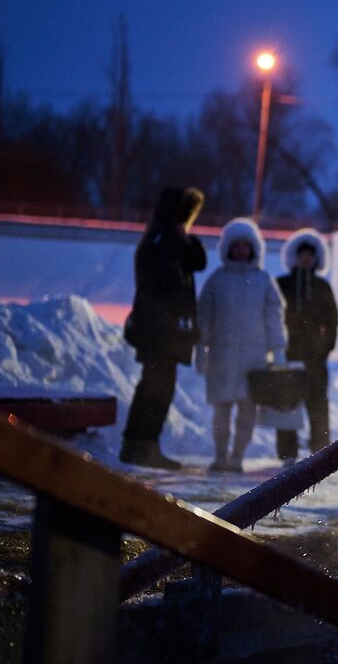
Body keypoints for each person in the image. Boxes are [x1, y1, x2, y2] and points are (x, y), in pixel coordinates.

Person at [121, 186, 206, 470]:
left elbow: (198, 262)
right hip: (159, 330)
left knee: (157, 386)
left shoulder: (165, 237)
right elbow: (169, 284)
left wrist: (186, 238)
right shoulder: (162, 240)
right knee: (156, 388)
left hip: (163, 330)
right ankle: (141, 446)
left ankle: (141, 445)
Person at [197, 218, 287, 473]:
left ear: (253, 248)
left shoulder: (263, 280)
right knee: (221, 411)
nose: (240, 250)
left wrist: (278, 348)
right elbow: (204, 316)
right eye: (235, 246)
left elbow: (274, 316)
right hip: (221, 357)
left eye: (244, 246)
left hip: (254, 358)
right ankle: (220, 455)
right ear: (228, 247)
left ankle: (237, 457)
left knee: (247, 412)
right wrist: (200, 349)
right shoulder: (216, 280)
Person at [275, 229, 338, 465]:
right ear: (294, 255)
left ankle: (320, 451)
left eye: (310, 254)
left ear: (316, 258)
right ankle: (287, 453)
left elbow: (332, 321)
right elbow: (274, 315)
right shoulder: (282, 284)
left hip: (315, 357)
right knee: (287, 403)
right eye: (301, 254)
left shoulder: (322, 287)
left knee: (318, 404)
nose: (305, 259)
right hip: (288, 354)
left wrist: (324, 348)